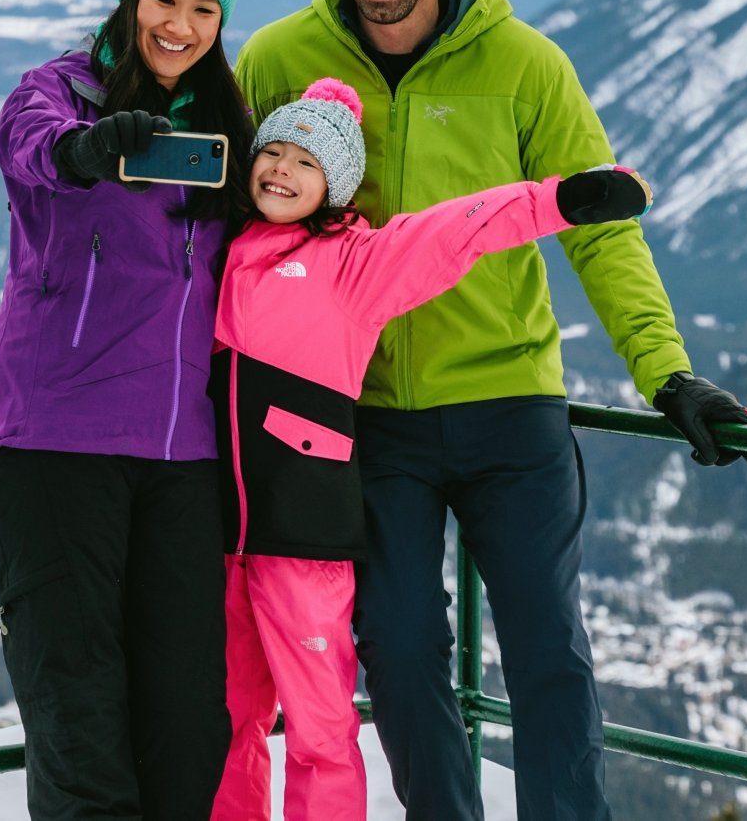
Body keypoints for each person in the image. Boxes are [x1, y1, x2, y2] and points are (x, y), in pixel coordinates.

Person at [235, 0, 747, 821]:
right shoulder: (279, 59)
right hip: (365, 417)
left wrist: (667, 373)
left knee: (545, 650)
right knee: (393, 649)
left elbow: (600, 227)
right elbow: (220, 218)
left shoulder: (523, 66)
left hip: (510, 409)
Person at [207, 77, 655, 821]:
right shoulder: (229, 244)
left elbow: (458, 227)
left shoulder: (355, 262)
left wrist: (561, 201)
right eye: (273, 152)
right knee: (228, 722)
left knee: (319, 731)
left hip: (303, 535)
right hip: (219, 533)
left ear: (338, 184)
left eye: (306, 162)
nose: (282, 169)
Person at [0, 0, 251, 821]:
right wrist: (88, 150)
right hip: (53, 445)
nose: (181, 24)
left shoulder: (221, 122)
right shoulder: (58, 91)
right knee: (79, 726)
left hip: (181, 457)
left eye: (205, 8)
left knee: (188, 728)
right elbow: (25, 143)